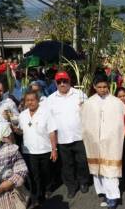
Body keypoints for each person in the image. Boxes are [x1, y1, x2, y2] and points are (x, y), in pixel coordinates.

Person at [81, 75, 125, 209]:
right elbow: (85, 123)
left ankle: (112, 198)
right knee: (99, 171)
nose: (102, 89)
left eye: (105, 87)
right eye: (99, 87)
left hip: (112, 142)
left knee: (110, 171)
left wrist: (112, 135)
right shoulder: (89, 103)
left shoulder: (116, 102)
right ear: (94, 87)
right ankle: (105, 194)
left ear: (108, 86)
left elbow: (120, 123)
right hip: (94, 142)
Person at [45, 71, 90, 199]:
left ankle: (83, 182)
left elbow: (89, 113)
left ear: (70, 81)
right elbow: (48, 120)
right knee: (66, 166)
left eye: (65, 81)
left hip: (79, 136)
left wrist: (84, 107)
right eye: (59, 82)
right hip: (62, 139)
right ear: (56, 83)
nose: (62, 84)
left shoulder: (80, 94)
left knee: (82, 162)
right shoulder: (51, 99)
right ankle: (71, 187)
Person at [17, 90, 58, 208]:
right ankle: (38, 195)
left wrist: (54, 149)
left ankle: (48, 187)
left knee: (46, 172)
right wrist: (15, 130)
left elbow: (52, 132)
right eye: (27, 100)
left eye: (32, 100)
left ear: (37, 100)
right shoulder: (22, 115)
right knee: (35, 174)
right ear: (25, 102)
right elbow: (22, 131)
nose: (30, 102)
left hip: (44, 149)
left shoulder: (46, 113)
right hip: (29, 151)